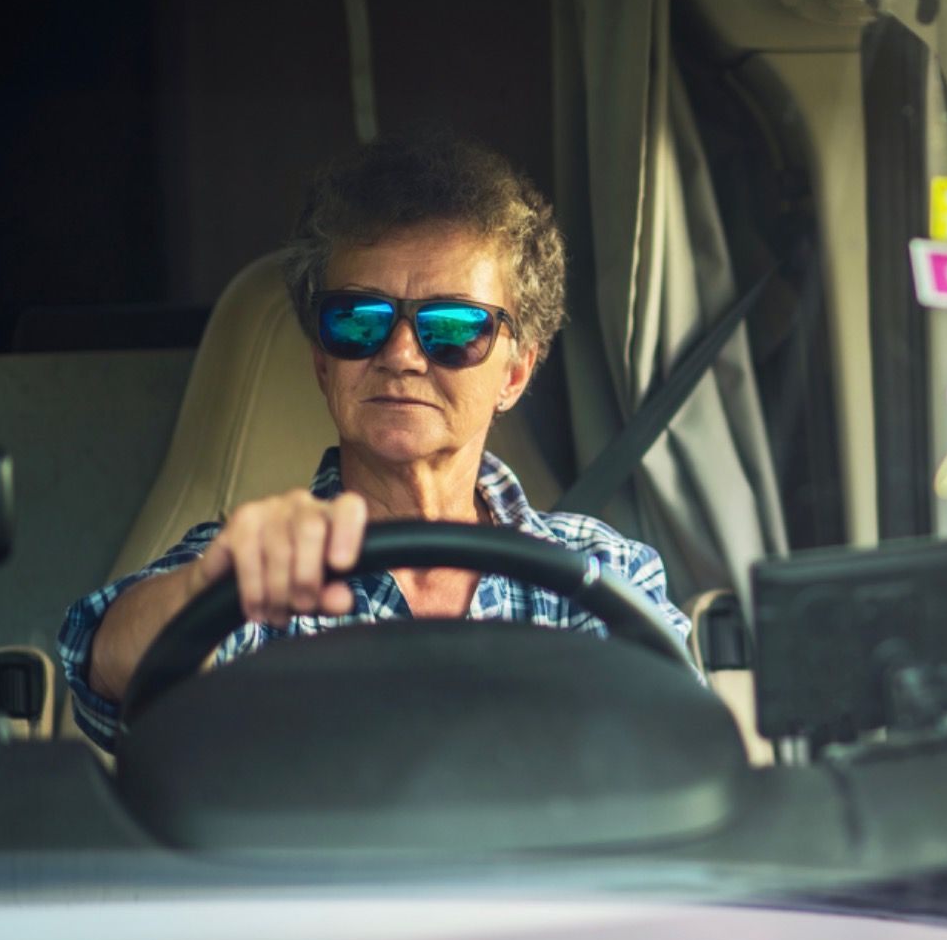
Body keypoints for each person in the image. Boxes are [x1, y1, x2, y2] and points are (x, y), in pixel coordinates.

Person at [57, 136, 691, 750]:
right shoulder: (257, 565)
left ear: (515, 374)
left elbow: (682, 755)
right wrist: (210, 590)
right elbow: (105, 667)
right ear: (323, 363)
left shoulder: (601, 573)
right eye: (359, 320)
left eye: (452, 326)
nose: (401, 355)